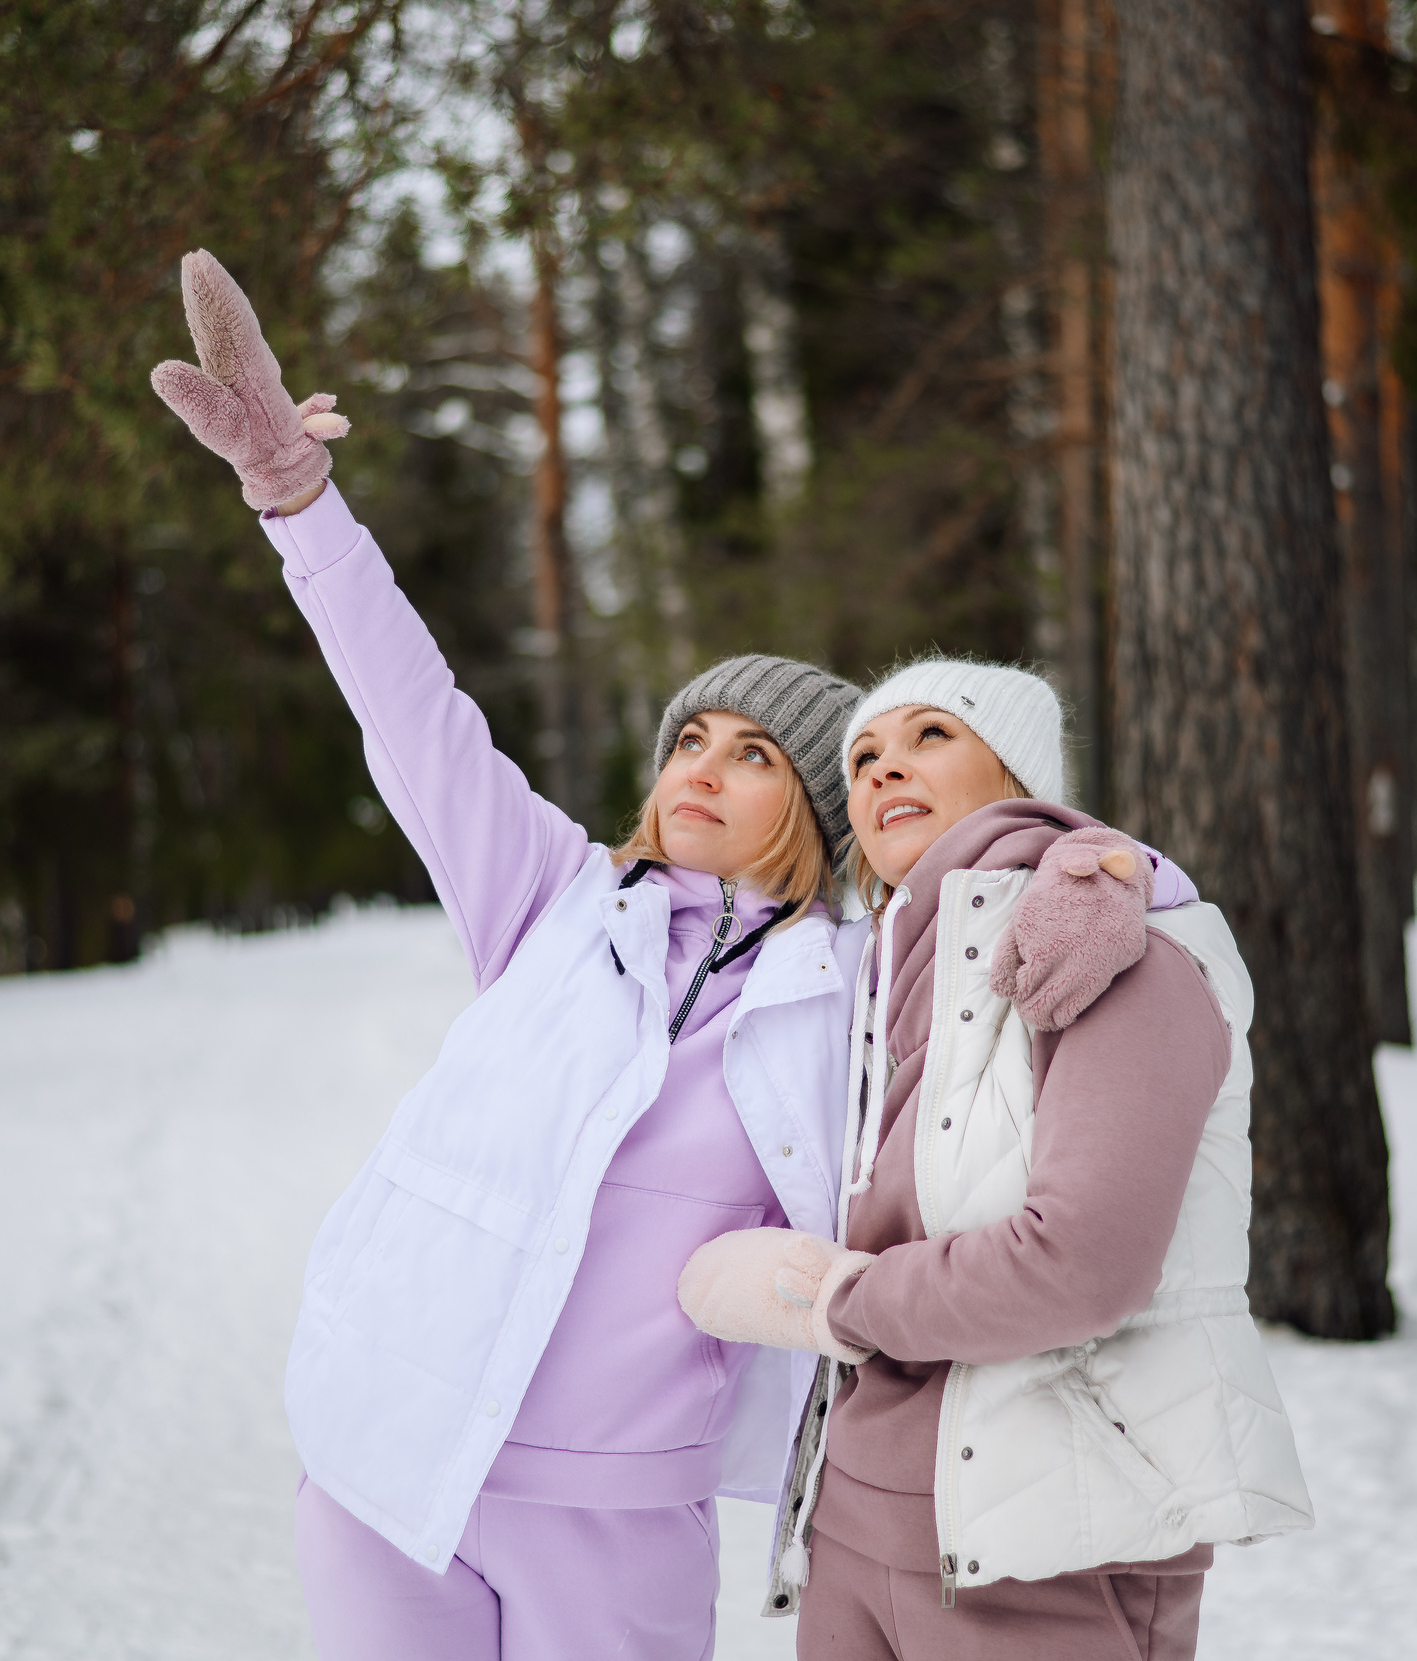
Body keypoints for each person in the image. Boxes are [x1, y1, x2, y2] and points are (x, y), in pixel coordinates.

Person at [148, 252, 1164, 1660]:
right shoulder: (553, 900)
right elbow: (411, 710)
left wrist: (1103, 874)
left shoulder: (864, 985)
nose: (703, 768)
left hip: (623, 1510)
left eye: (753, 757)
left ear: (815, 812)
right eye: (692, 737)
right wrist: (298, 503)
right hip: (392, 1455)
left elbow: (1028, 867)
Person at [679, 659, 1313, 1660]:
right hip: (851, 1532)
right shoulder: (873, 972)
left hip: (1046, 1542)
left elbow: (1080, 1264)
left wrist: (830, 1300)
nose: (885, 768)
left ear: (1017, 772)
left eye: (931, 736)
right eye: (864, 756)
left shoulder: (1117, 951)